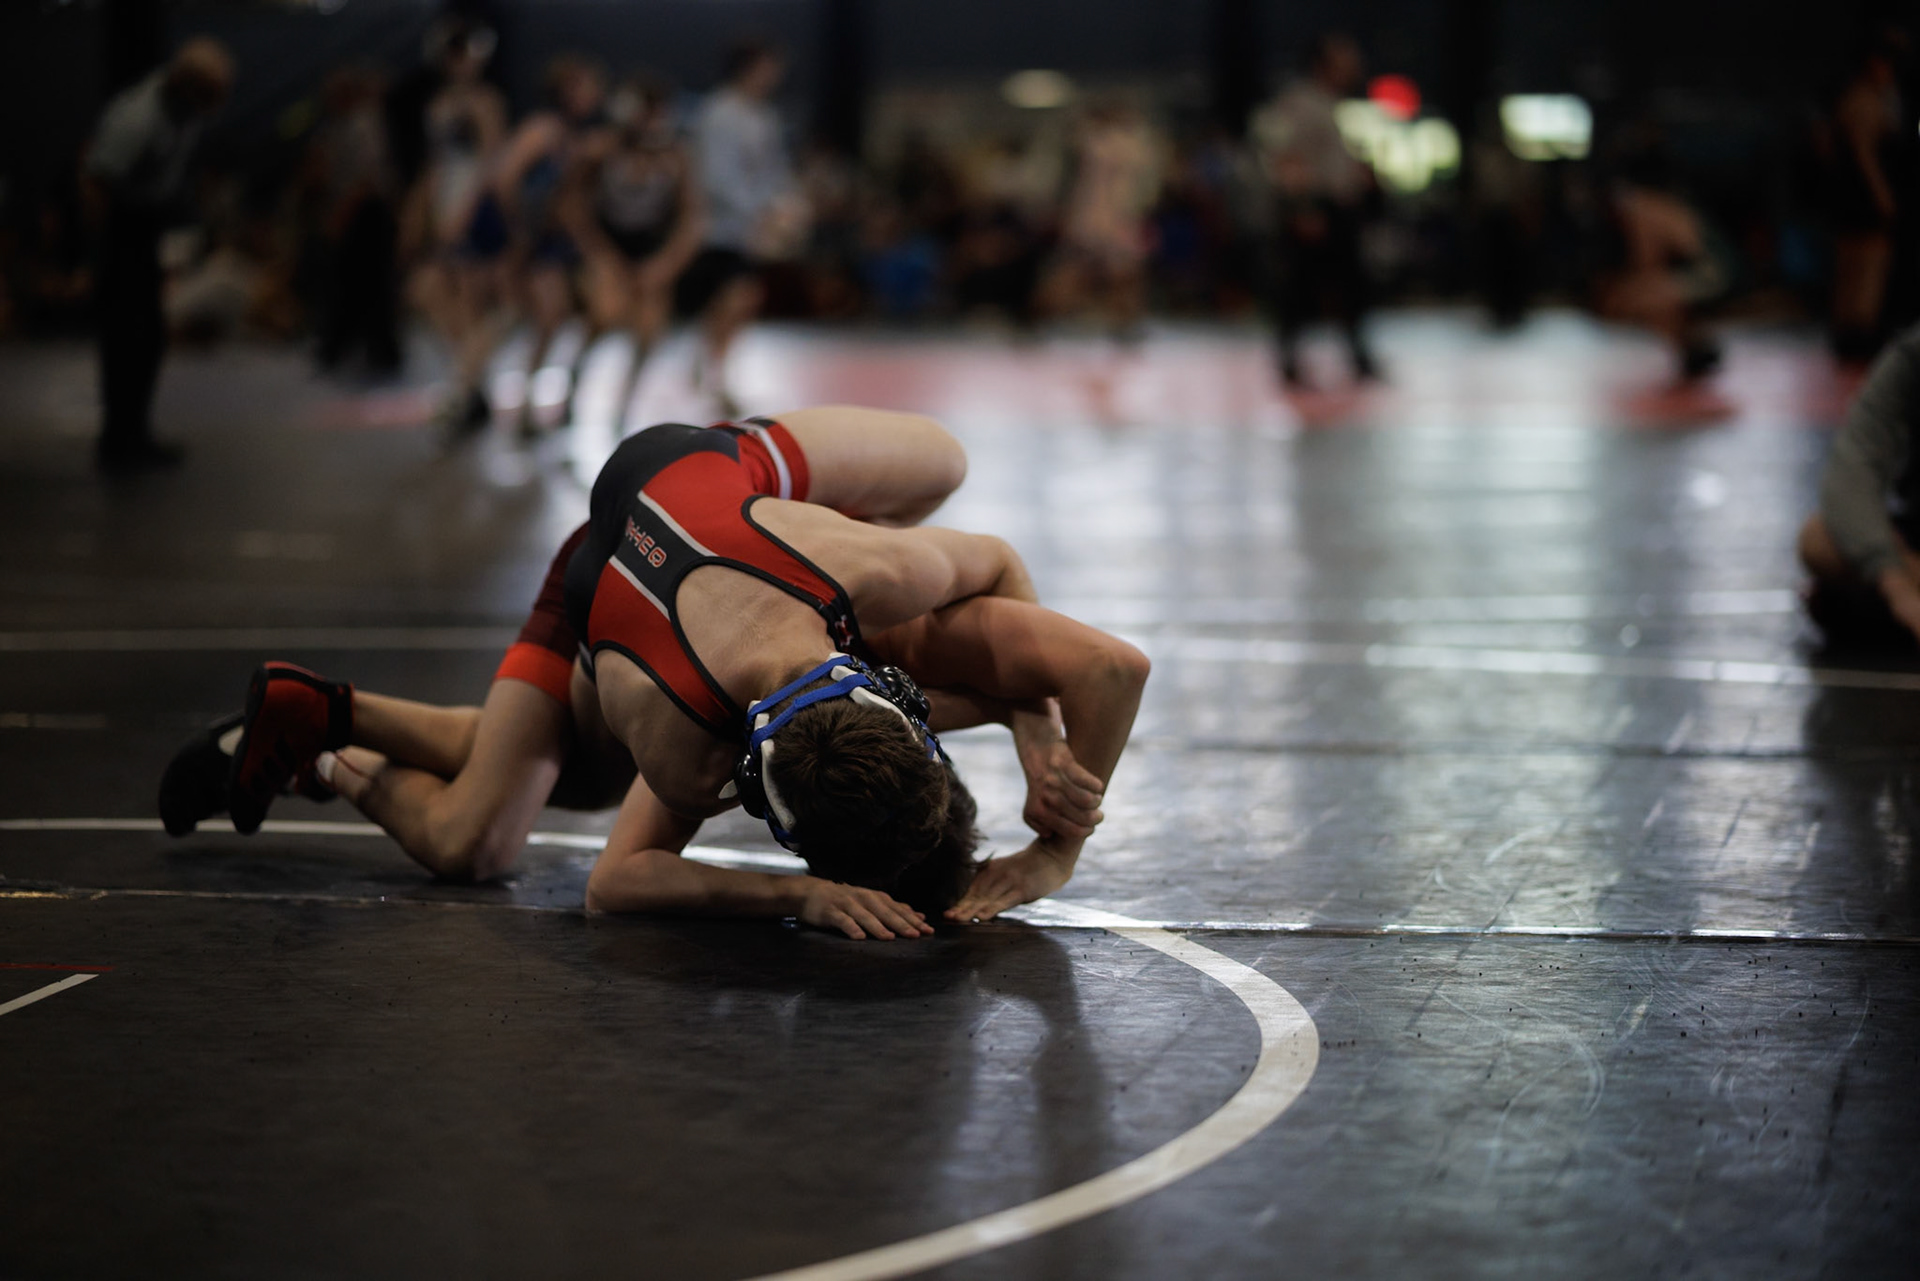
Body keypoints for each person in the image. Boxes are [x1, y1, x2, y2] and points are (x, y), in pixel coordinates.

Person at [164, 408, 1148, 937]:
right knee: (492, 834)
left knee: (940, 471)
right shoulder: (689, 750)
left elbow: (1048, 616)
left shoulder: (868, 572)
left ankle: (326, 713)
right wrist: (796, 897)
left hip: (694, 519)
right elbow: (616, 883)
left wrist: (1035, 732)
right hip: (610, 570)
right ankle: (329, 758)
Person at [81, 37, 234, 474]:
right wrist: (102, 250)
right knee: (124, 339)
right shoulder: (139, 117)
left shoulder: (182, 112)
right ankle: (117, 439)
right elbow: (95, 178)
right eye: (211, 96)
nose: (214, 108)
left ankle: (136, 432)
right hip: (121, 229)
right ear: (190, 86)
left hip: (146, 223)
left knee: (148, 338)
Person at [564, 77, 704, 430]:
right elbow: (572, 207)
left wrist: (666, 263)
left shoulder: (676, 158)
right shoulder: (602, 151)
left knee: (649, 328)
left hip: (650, 247)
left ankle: (624, 405)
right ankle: (576, 377)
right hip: (607, 243)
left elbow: (692, 220)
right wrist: (600, 256)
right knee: (606, 314)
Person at [682, 39, 806, 415]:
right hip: (717, 228)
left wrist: (789, 205)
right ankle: (713, 372)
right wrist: (762, 212)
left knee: (737, 301)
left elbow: (773, 170)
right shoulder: (719, 113)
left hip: (750, 230)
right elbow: (716, 177)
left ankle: (709, 365)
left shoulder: (763, 116)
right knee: (737, 297)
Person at [399, 19, 510, 432]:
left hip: (471, 209)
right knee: (430, 295)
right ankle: (470, 385)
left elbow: (489, 163)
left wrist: (464, 215)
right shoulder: (439, 104)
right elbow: (434, 165)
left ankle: (463, 391)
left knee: (466, 300)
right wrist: (421, 214)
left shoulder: (485, 102)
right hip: (446, 205)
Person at [1251, 33, 1379, 389]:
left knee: (1349, 285)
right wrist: (1302, 208)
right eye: (1345, 61)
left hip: (1336, 208)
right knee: (1302, 287)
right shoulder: (1301, 104)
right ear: (1323, 65)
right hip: (1316, 209)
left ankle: (1357, 356)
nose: (1354, 68)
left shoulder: (1329, 103)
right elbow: (1286, 159)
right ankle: (1290, 359)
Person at [491, 55, 606, 434]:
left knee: (592, 313)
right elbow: (505, 179)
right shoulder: (543, 129)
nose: (593, 94)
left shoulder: (580, 136)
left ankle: (560, 391)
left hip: (565, 240)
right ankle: (522, 399)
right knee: (545, 317)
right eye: (584, 86)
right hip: (537, 241)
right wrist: (519, 232)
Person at [1799, 323, 1920, 649]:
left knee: (1836, 601)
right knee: (1820, 539)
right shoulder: (1912, 355)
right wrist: (1897, 585)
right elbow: (1852, 470)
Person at [1828, 39, 1904, 363]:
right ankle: (1859, 331)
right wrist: (1882, 194)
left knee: (1851, 264)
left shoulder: (1852, 99)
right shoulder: (1865, 102)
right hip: (1863, 197)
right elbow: (1865, 154)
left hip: (1848, 194)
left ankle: (1849, 331)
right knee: (1868, 264)